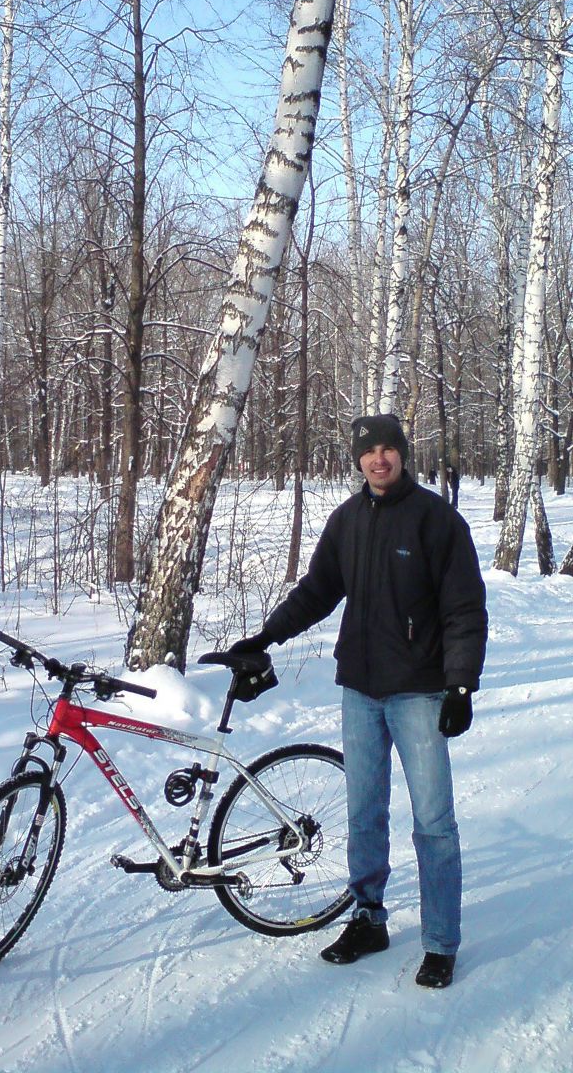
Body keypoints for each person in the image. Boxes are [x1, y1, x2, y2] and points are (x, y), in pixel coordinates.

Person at [230, 413, 487, 989]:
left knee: (433, 822)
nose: (379, 459)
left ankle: (440, 941)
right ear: (358, 460)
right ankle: (368, 919)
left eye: (388, 449)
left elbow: (465, 610)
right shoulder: (346, 520)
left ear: (402, 453)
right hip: (361, 691)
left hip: (419, 691)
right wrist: (266, 637)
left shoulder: (437, 521)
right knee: (363, 815)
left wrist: (460, 684)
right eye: (369, 451)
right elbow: (316, 592)